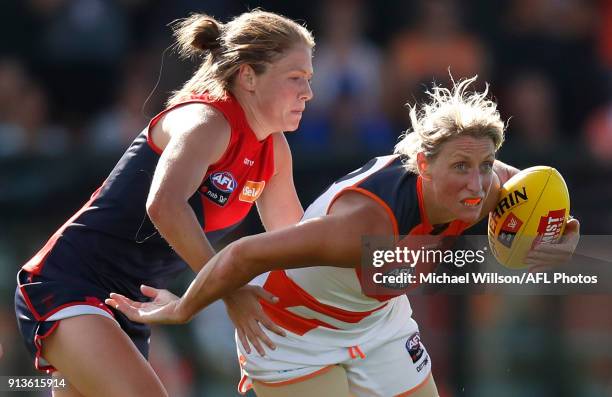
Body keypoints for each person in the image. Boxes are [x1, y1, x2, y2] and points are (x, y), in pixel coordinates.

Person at [107, 76, 581, 397]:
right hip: (292, 331)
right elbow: (244, 254)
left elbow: (516, 189)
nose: (477, 184)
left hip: (379, 321)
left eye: (483, 167)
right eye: (461, 167)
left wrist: (549, 232)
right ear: (423, 166)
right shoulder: (362, 227)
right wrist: (183, 307)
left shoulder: (480, 183)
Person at [15, 10, 314, 397]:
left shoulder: (273, 147)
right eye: (295, 78)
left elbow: (294, 246)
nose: (308, 92)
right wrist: (229, 290)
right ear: (248, 76)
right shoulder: (207, 120)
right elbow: (165, 206)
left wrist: (373, 269)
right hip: (70, 283)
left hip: (125, 307)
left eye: (308, 79)